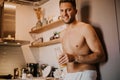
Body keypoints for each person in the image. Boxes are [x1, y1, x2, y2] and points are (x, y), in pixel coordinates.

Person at [58, 0, 105, 80]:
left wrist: (75, 58)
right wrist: (63, 60)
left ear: (75, 11)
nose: (64, 14)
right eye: (62, 10)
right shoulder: (62, 34)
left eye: (68, 10)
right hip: (69, 75)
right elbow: (69, 59)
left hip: (85, 74)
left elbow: (101, 56)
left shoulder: (85, 28)